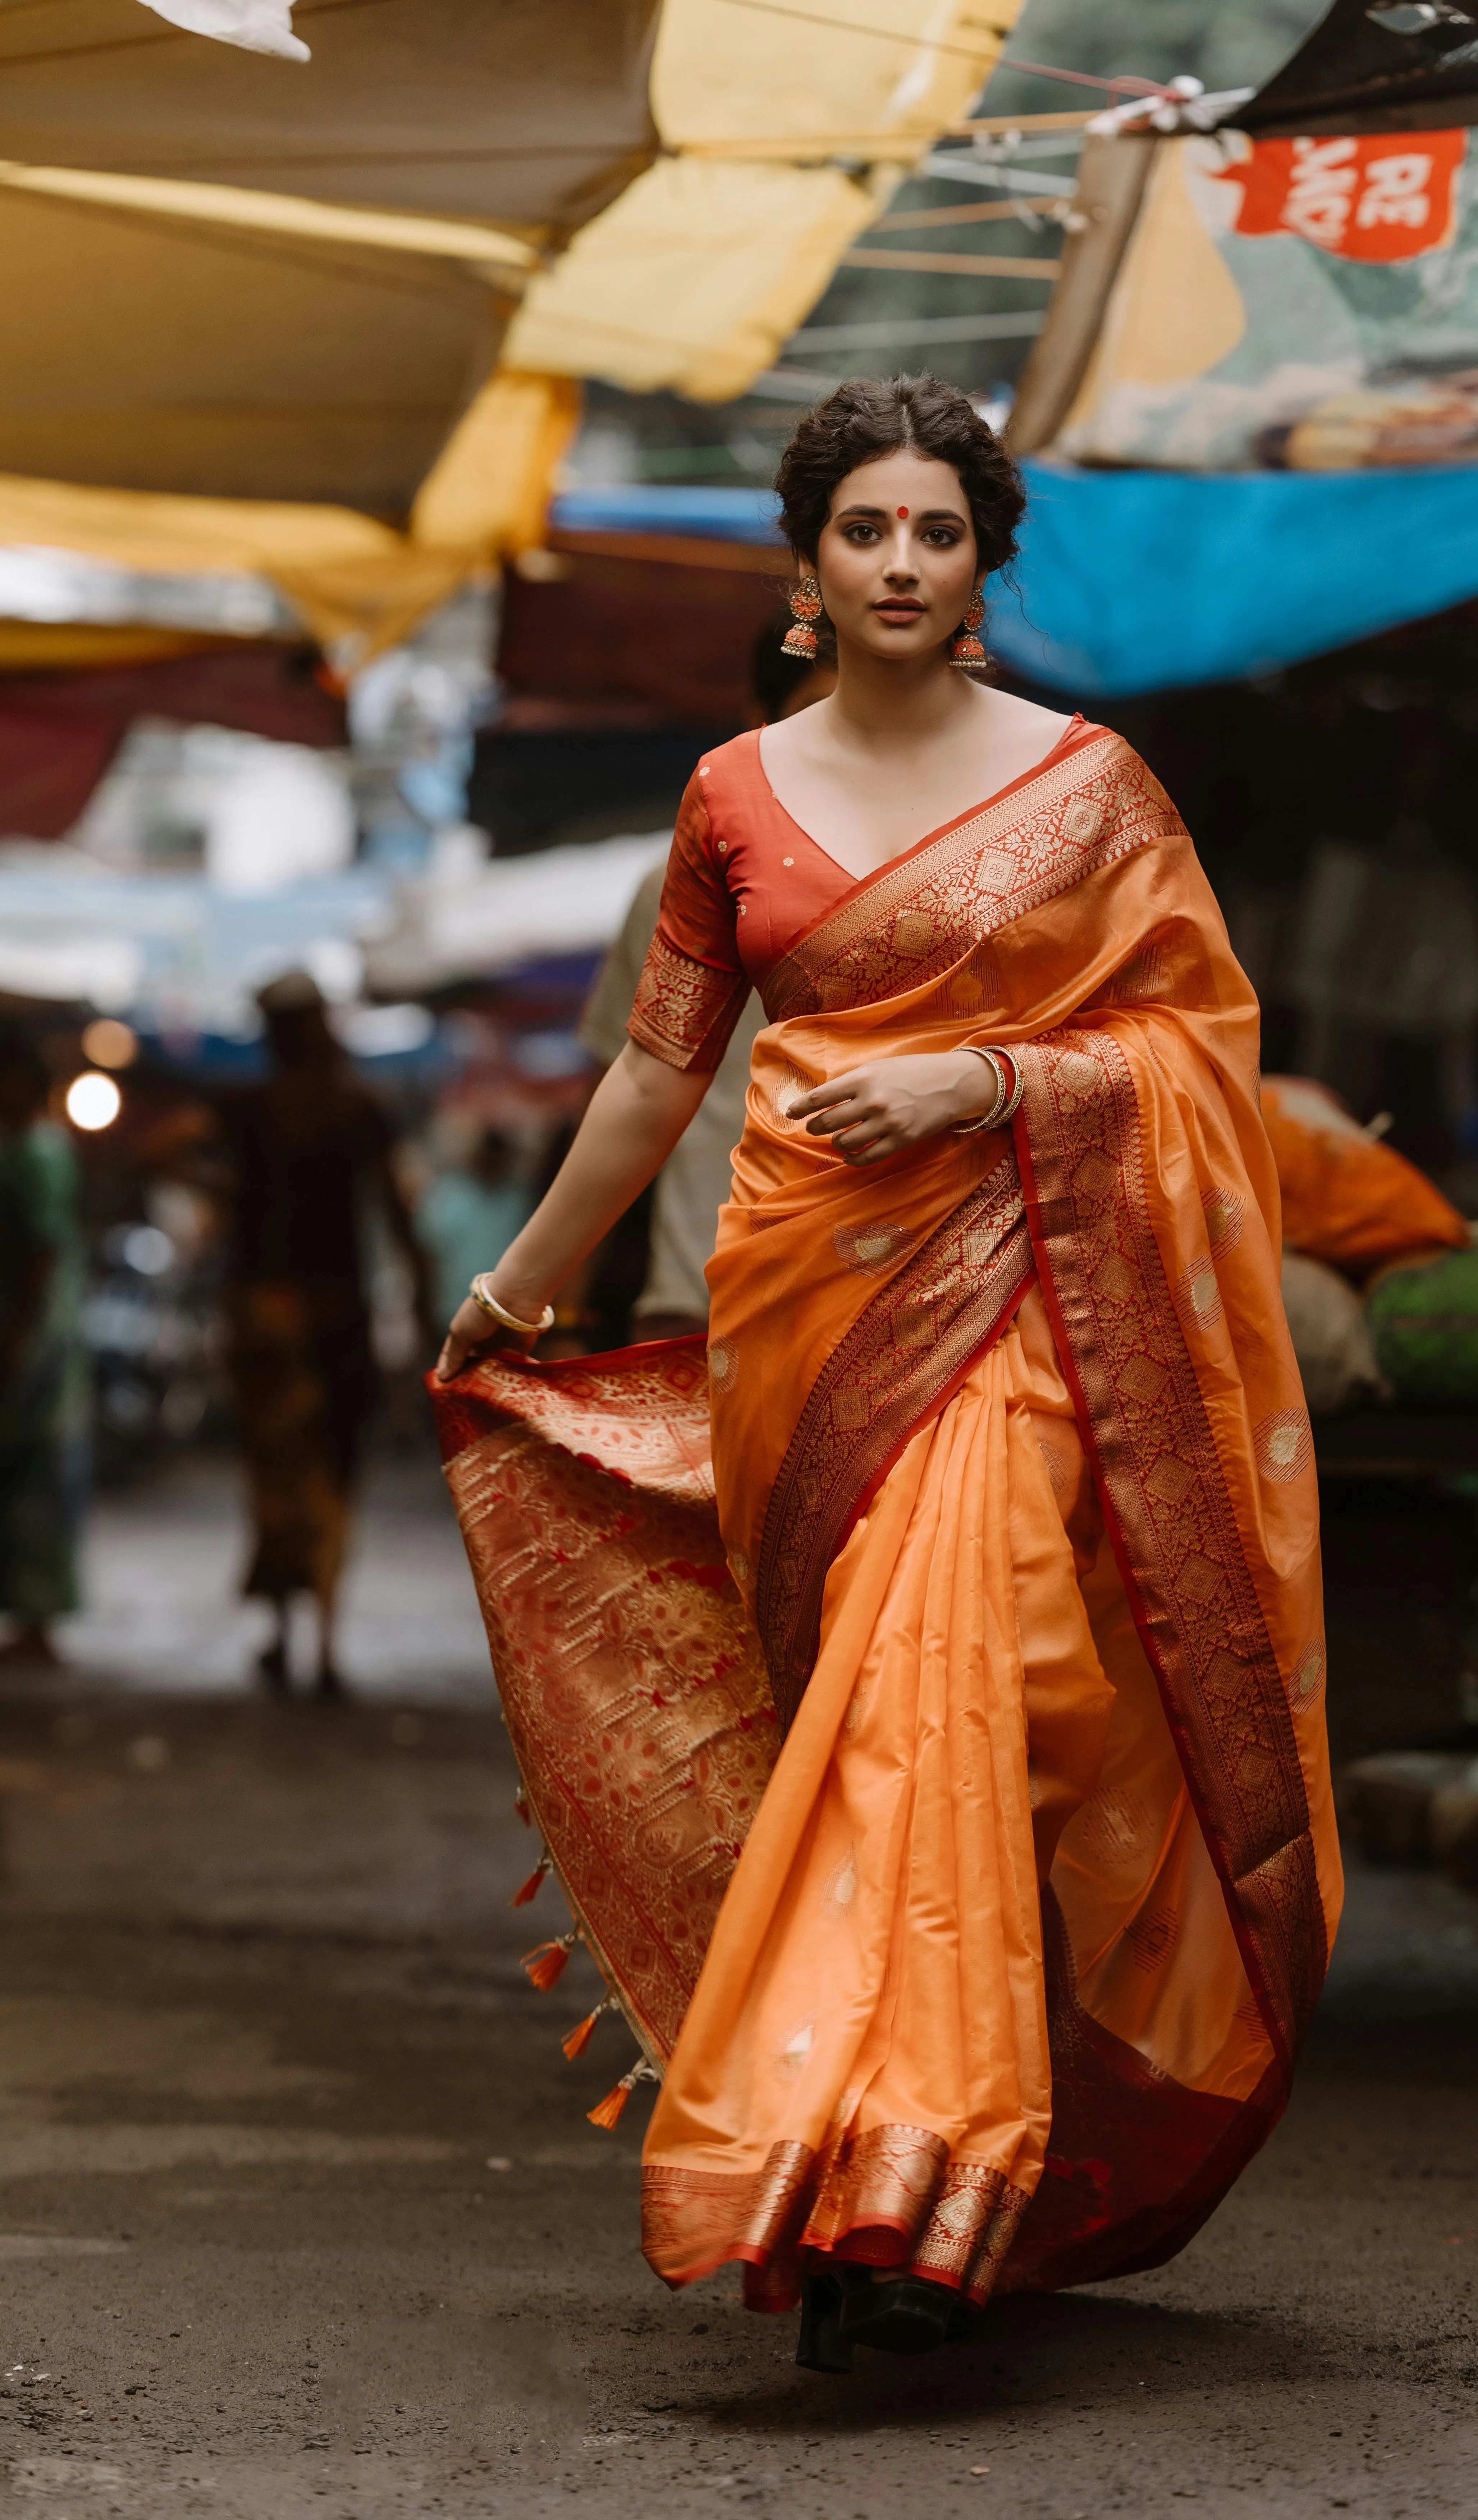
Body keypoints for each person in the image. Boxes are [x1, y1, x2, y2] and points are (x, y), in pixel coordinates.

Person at [434, 374, 1341, 2369]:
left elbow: (1193, 1051)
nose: (901, 563)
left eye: (937, 531)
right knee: (863, 1732)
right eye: (866, 530)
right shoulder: (728, 795)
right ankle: (871, 2174)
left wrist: (989, 1082)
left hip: (1029, 1303)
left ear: (982, 565)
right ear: (807, 562)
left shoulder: (1088, 791)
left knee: (967, 1698)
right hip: (799, 1316)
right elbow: (655, 1072)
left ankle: (912, 2186)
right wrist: (515, 1286)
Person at [574, 624, 836, 1340]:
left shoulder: (954, 891)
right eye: (819, 716)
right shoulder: (682, 887)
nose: (849, 745)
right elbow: (625, 1096)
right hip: (697, 1302)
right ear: (761, 725)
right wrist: (550, 1305)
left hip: (886, 1322)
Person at [224, 971, 431, 1699]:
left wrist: (226, 1198)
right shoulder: (357, 1110)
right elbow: (398, 1217)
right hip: (336, 1316)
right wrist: (427, 1301)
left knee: (277, 1477)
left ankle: (285, 1633)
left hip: (263, 1314)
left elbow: (160, 1151)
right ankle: (323, 1642)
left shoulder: (247, 1110)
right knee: (336, 1475)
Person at [0, 1025, 87, 1666]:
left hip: (35, 1337)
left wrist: (19, 1333)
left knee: (35, 1473)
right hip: (32, 1330)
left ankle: (37, 1617)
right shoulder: (28, 1149)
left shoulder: (39, 1153)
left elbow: (42, 1248)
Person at [415, 1124, 533, 1323]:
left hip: (506, 1311)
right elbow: (427, 1253)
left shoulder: (519, 1198)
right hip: (452, 1307)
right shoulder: (449, 1194)